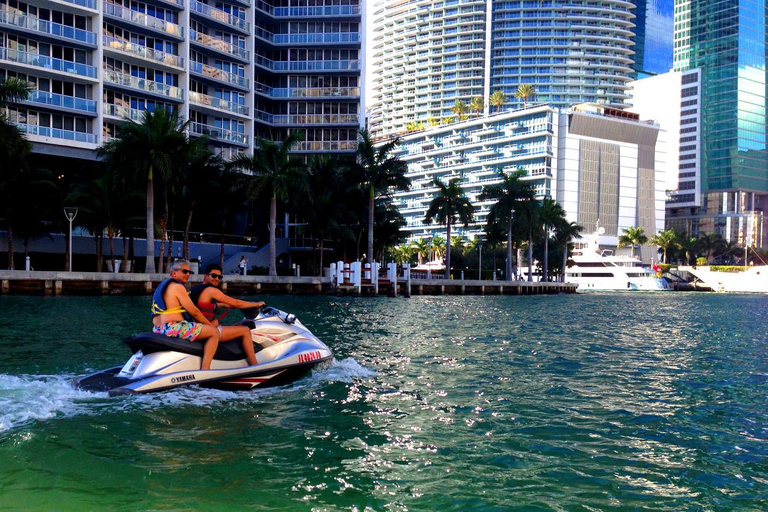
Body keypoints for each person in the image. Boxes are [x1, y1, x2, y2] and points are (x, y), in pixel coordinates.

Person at [190, 264, 265, 367]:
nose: (217, 279)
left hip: (196, 327)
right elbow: (237, 303)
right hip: (207, 329)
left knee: (236, 325)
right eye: (214, 276)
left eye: (219, 277)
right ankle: (255, 365)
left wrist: (220, 305)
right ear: (206, 276)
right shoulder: (212, 291)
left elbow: (201, 306)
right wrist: (256, 304)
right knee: (245, 330)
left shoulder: (196, 289)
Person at [151, 260, 220, 370]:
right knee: (214, 333)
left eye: (189, 272)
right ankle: (205, 369)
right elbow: (194, 312)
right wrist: (209, 325)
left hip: (158, 329)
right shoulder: (178, 287)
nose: (188, 274)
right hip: (173, 327)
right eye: (184, 271)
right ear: (174, 273)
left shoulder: (163, 286)